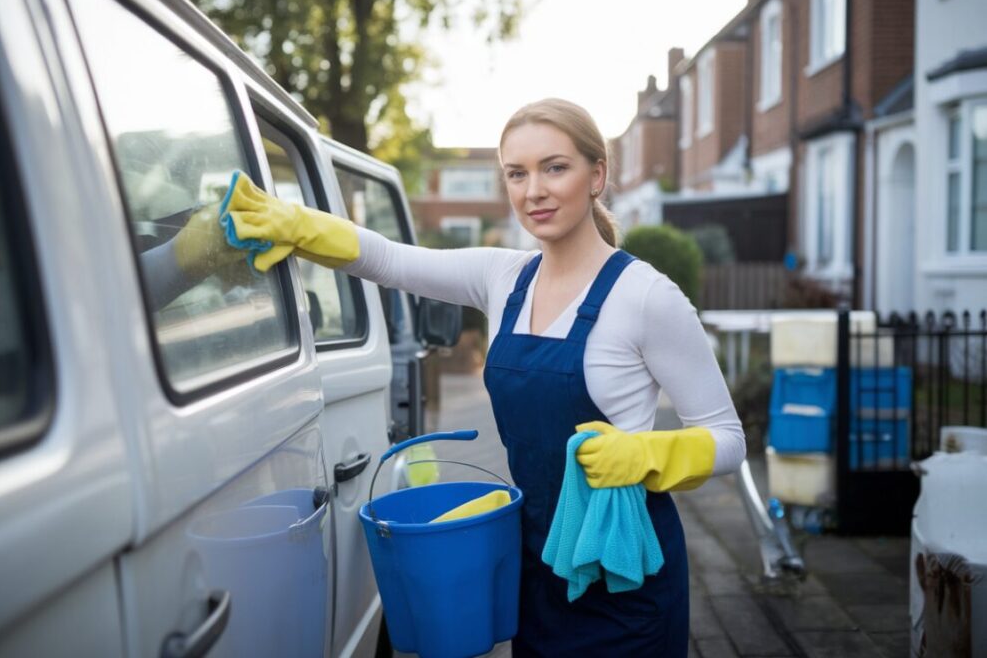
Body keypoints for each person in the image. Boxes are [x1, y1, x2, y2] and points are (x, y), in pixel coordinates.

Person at [223, 98, 746, 656]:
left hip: (624, 573)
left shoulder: (647, 297)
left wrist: (648, 455)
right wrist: (297, 224)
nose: (533, 191)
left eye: (555, 167)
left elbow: (729, 441)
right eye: (516, 174)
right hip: (536, 566)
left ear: (598, 176)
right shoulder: (504, 278)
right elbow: (390, 261)